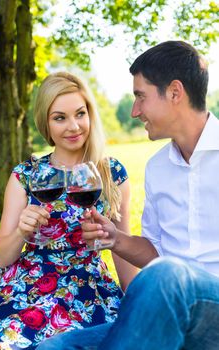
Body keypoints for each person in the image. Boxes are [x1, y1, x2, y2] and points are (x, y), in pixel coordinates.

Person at [36, 40, 219, 349]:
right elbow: (155, 253)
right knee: (54, 347)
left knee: (167, 275)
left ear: (175, 92)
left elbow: (164, 272)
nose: (135, 111)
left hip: (210, 307)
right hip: (166, 303)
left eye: (140, 97)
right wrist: (114, 238)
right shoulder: (158, 167)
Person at [0, 72, 137, 349]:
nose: (73, 126)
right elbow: (3, 258)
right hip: (30, 288)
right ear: (46, 122)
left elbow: (123, 256)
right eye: (60, 117)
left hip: (90, 287)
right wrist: (22, 230)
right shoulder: (26, 175)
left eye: (80, 113)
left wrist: (140, 304)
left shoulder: (111, 172)